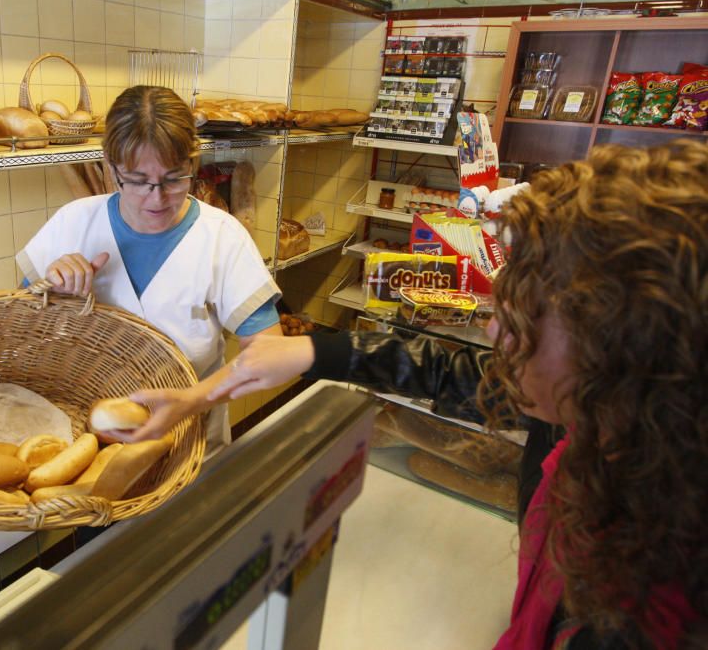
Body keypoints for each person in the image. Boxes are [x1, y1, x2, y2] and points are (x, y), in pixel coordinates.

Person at [128, 140, 708, 649]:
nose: (493, 330)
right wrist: (314, 352)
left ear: (620, 341)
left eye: (526, 312)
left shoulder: (658, 600)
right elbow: (454, 376)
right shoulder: (599, 422)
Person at [16, 85, 282, 455]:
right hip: (85, 445)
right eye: (138, 181)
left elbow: (270, 354)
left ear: (193, 163)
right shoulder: (73, 224)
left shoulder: (221, 237)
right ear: (111, 167)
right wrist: (53, 290)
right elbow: (19, 323)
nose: (156, 199)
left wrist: (193, 400)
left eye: (174, 178)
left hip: (190, 445)